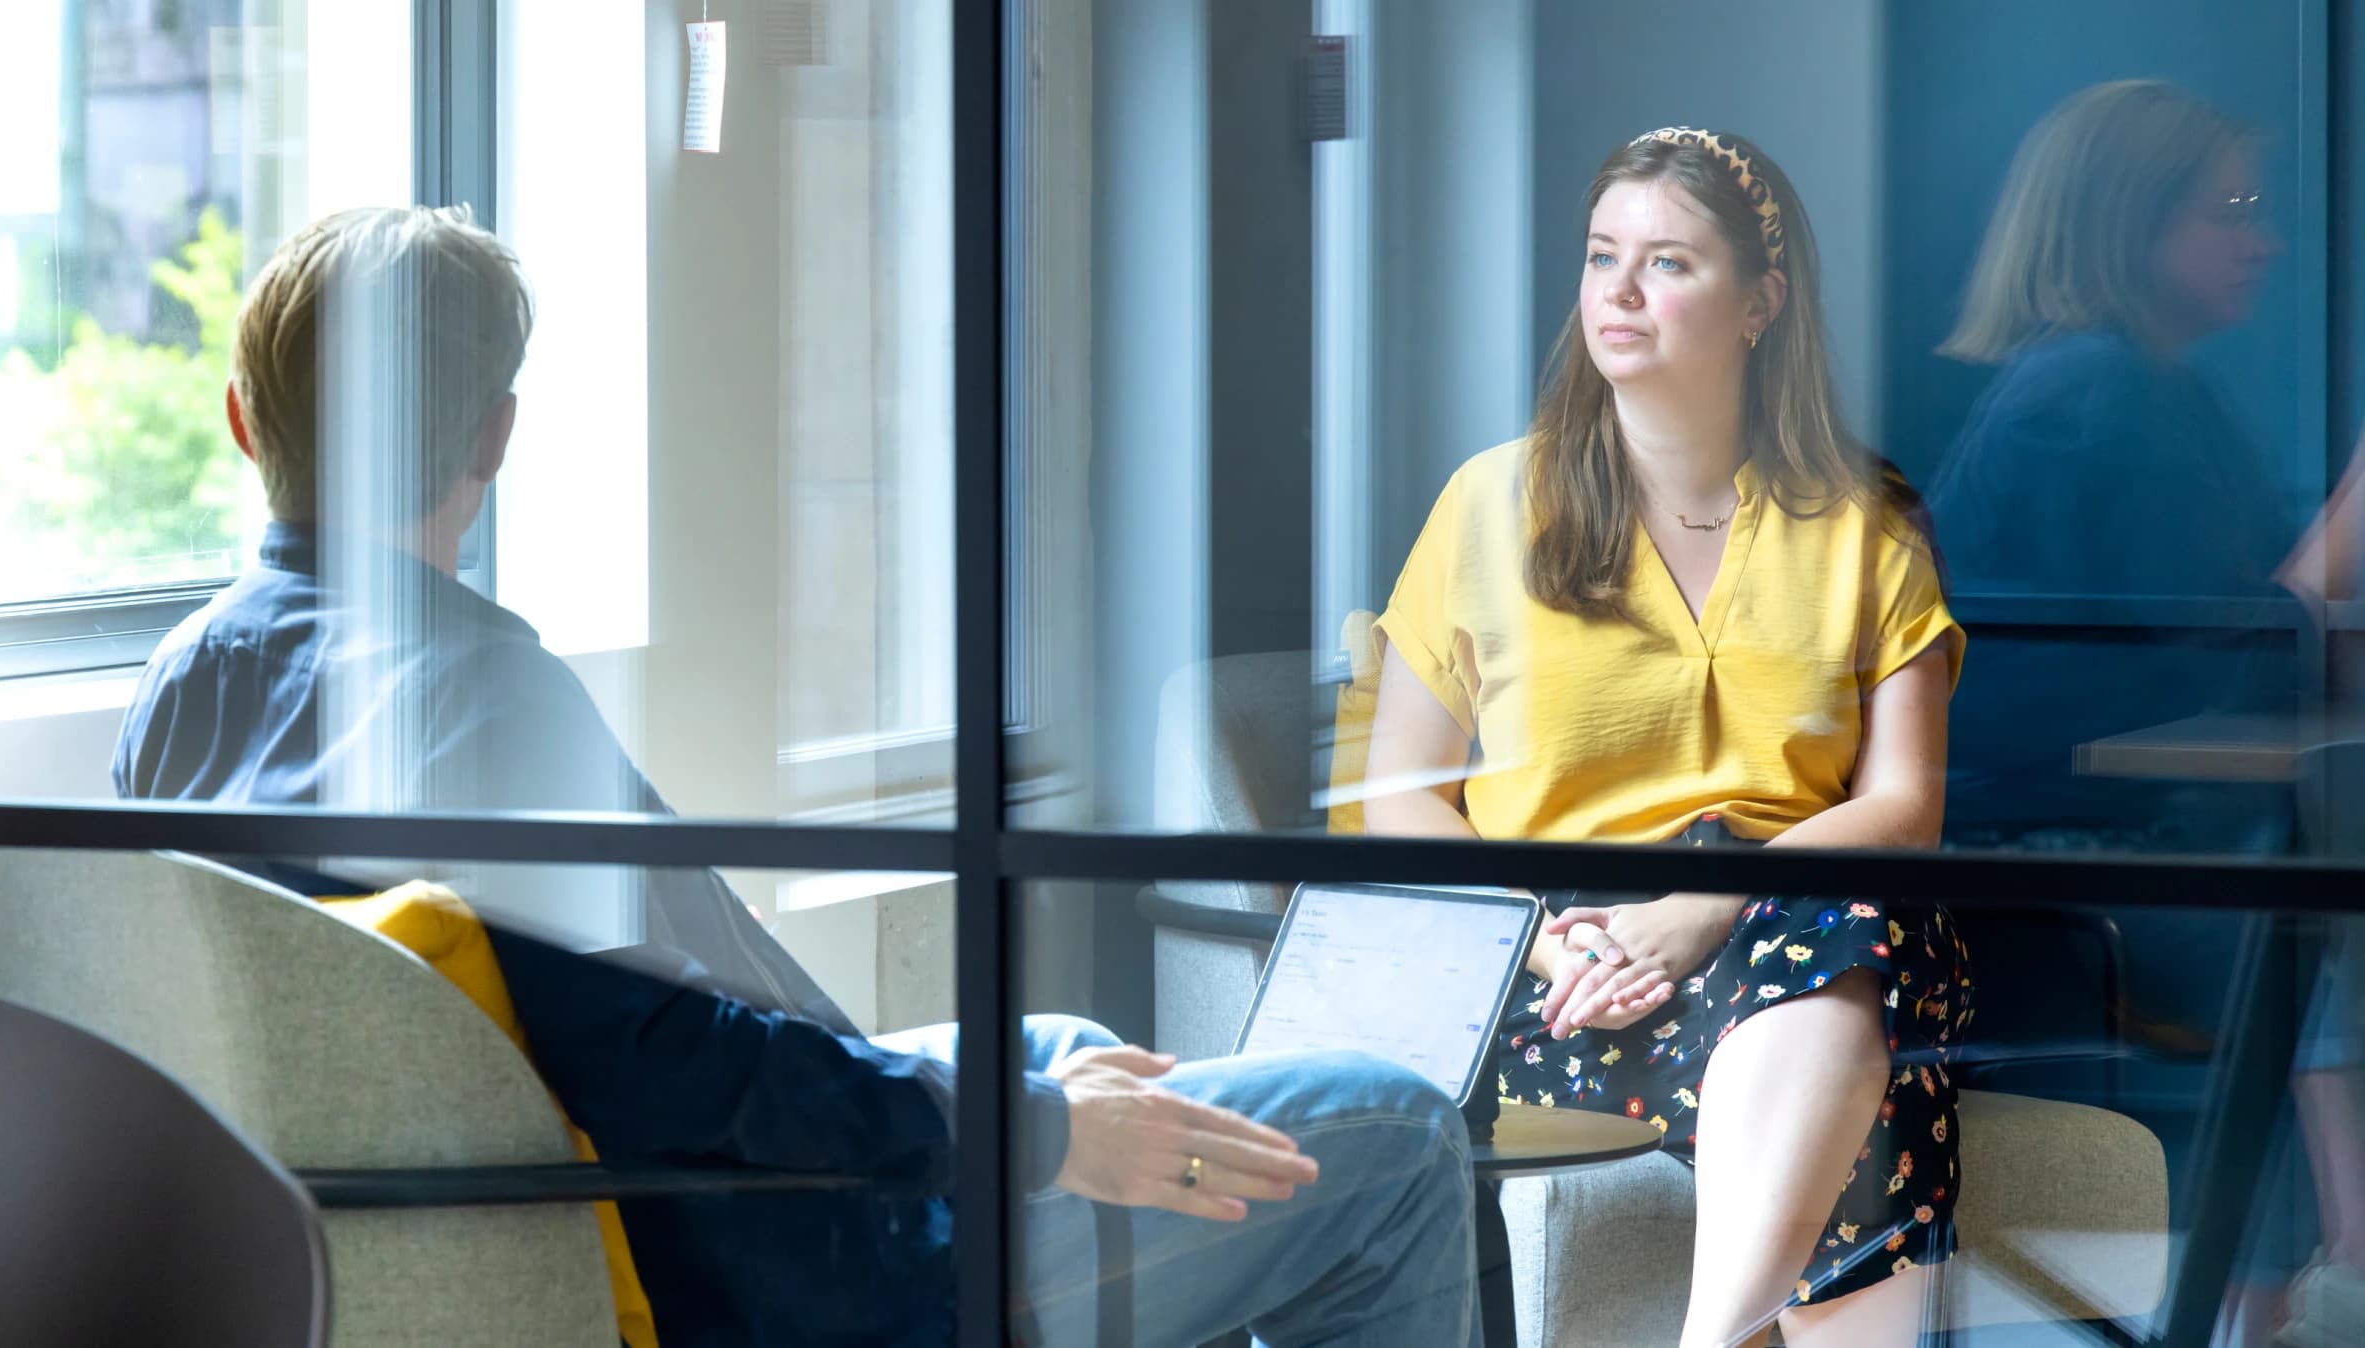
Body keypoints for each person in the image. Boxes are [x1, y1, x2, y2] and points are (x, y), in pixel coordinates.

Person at [117, 204, 1483, 1346]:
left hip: (489, 1196)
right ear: (494, 437)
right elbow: (675, 1075)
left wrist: (1043, 1102)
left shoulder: (181, 689)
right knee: (1403, 1133)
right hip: (759, 1259)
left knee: (1067, 1041)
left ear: (244, 420)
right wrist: (1040, 1138)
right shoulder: (479, 695)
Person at [1359, 129, 1969, 1348]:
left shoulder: (1865, 515)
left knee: (1832, 939)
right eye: (1600, 258)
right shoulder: (1490, 502)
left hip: (1795, 908)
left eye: (1667, 263)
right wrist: (1546, 944)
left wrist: (1705, 901)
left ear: (1760, 304)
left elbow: (1902, 805)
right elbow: (1399, 800)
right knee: (1881, 1097)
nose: (1618, 293)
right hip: (1565, 971)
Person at [1927, 79, 2295, 853]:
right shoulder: (2093, 389)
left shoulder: (2166, 387)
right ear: (2129, 222)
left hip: (2096, 819)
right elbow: (2244, 667)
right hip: (2050, 846)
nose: (2264, 244)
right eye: (2230, 213)